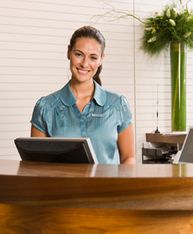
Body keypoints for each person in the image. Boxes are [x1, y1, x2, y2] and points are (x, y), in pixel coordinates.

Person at [30, 26, 135, 164]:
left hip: (108, 186)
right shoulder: (45, 107)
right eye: (78, 54)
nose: (85, 63)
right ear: (68, 52)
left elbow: (128, 158)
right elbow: (37, 165)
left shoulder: (118, 104)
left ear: (101, 59)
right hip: (61, 186)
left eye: (93, 57)